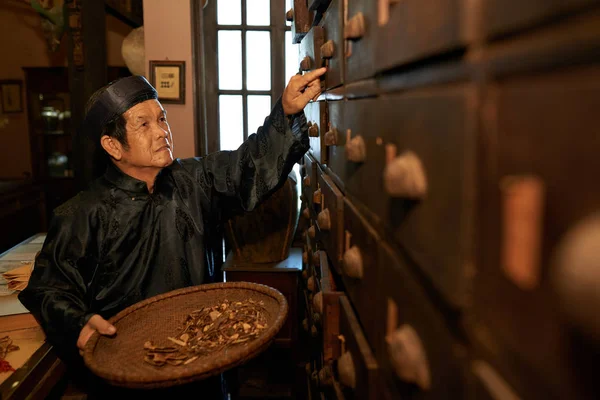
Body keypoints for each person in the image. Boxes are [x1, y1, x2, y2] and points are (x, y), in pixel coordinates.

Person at [18, 68, 326, 372]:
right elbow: (49, 289)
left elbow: (246, 167)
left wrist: (285, 112)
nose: (162, 131)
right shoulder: (82, 214)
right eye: (144, 124)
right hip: (129, 366)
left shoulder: (195, 181)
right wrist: (80, 325)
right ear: (113, 145)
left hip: (203, 354)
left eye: (162, 118)